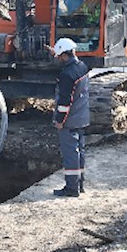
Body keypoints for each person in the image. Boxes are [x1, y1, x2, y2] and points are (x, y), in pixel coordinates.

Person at [51, 37, 90, 197]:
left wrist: (60, 121)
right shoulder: (82, 67)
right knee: (80, 151)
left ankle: (71, 188)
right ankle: (80, 184)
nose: (58, 59)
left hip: (69, 120)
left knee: (70, 153)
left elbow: (64, 102)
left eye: (59, 56)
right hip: (82, 116)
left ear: (65, 55)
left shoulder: (67, 75)